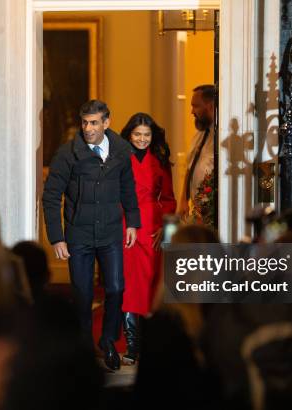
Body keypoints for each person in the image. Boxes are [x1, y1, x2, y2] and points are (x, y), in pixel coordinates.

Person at [42, 99, 141, 371]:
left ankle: (108, 340)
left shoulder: (121, 150)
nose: (88, 128)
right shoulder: (67, 154)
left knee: (116, 288)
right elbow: (51, 197)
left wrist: (132, 222)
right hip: (79, 235)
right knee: (83, 295)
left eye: (94, 123)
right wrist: (57, 237)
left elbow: (128, 187)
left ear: (106, 123)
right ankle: (84, 349)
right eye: (85, 122)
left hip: (110, 231)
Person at [119, 112, 176, 365]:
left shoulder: (160, 161)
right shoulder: (118, 159)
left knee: (152, 285)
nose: (142, 139)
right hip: (125, 228)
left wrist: (164, 225)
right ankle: (132, 345)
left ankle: (151, 344)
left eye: (146, 134)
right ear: (129, 135)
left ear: (153, 137)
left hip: (152, 230)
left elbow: (169, 198)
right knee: (130, 286)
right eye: (137, 134)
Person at [178, 84, 217, 224]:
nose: (192, 111)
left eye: (196, 106)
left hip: (212, 212)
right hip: (198, 211)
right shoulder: (200, 134)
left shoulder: (220, 138)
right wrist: (184, 200)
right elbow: (190, 168)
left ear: (211, 106)